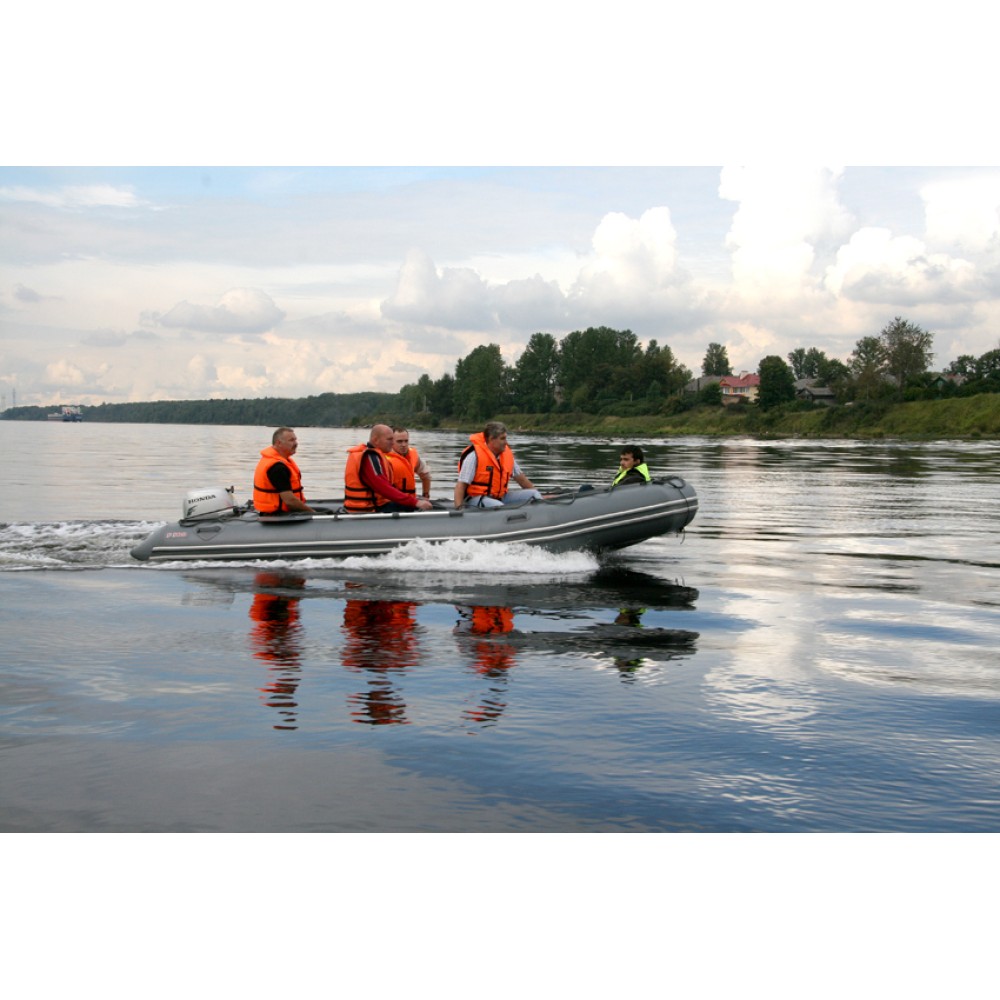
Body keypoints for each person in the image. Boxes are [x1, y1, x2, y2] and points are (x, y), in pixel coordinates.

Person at [344, 423, 434, 513]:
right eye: (389, 439)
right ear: (375, 440)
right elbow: (383, 487)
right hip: (369, 509)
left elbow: (426, 475)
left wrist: (422, 497)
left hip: (375, 504)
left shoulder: (373, 455)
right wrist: (415, 502)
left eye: (406, 441)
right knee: (413, 507)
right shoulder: (370, 458)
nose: (392, 443)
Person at [454, 421, 543, 509]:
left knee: (534, 494)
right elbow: (461, 486)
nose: (506, 442)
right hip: (476, 499)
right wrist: (459, 511)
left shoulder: (506, 455)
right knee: (499, 507)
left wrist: (540, 496)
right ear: (491, 439)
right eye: (502, 438)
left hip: (501, 497)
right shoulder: (474, 456)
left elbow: (522, 479)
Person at [252, 427, 318, 514]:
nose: (296, 443)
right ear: (279, 443)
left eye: (295, 440)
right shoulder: (277, 467)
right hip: (278, 515)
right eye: (291, 440)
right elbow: (290, 501)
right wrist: (313, 513)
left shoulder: (280, 462)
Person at [386, 425, 432, 500]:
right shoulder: (384, 459)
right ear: (391, 442)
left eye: (406, 441)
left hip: (410, 499)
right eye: (399, 441)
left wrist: (426, 495)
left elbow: (426, 475)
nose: (404, 445)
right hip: (391, 501)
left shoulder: (413, 455)